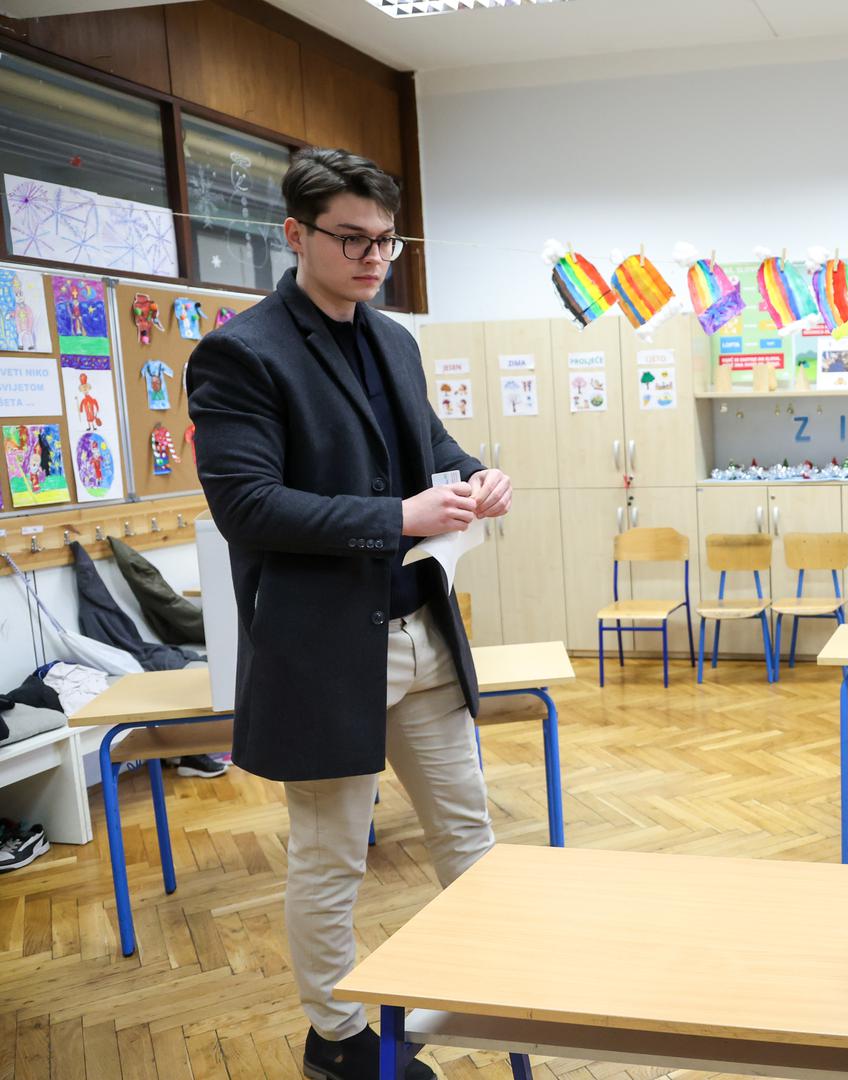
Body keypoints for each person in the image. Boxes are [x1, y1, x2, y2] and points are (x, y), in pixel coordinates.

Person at [188, 147, 513, 1080]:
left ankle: (496, 982)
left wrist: (472, 474)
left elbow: (429, 447)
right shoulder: (243, 352)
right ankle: (336, 1038)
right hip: (327, 649)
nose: (374, 259)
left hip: (423, 629)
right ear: (294, 235)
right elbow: (247, 506)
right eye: (353, 240)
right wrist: (396, 518)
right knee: (332, 858)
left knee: (468, 833)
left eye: (387, 241)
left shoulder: (393, 339)